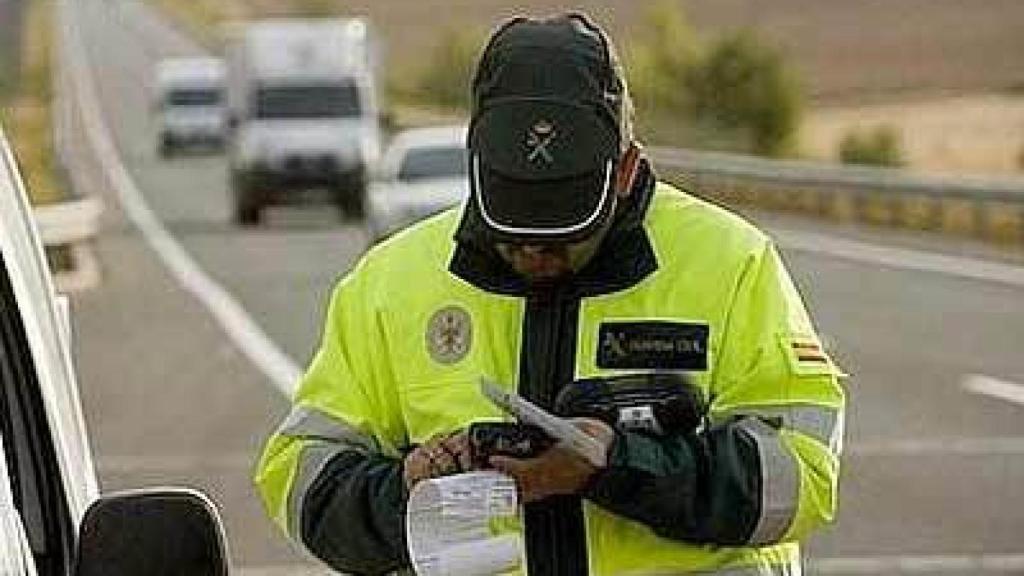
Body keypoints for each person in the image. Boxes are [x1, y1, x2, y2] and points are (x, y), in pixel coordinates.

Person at [255, 12, 845, 576]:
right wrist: (405, 490)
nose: (535, 252)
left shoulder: (732, 263)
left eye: (564, 231)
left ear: (626, 171)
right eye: (513, 227)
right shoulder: (388, 284)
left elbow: (802, 480)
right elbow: (300, 480)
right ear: (478, 168)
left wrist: (616, 466)